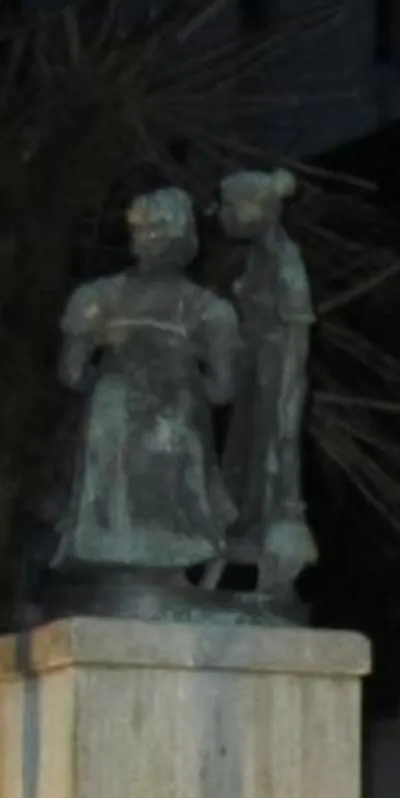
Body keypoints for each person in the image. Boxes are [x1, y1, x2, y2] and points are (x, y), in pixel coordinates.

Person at [48, 187, 240, 582]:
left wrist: (102, 377)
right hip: (178, 416)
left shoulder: (96, 297)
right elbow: (222, 389)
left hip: (113, 409)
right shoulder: (212, 311)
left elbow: (71, 372)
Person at [216, 167, 317, 602]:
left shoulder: (286, 262)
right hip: (253, 375)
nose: (225, 216)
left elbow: (296, 336)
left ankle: (277, 567)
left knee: (273, 464)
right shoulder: (260, 258)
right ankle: (234, 548)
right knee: (242, 465)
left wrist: (287, 404)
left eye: (233, 206)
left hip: (277, 375)